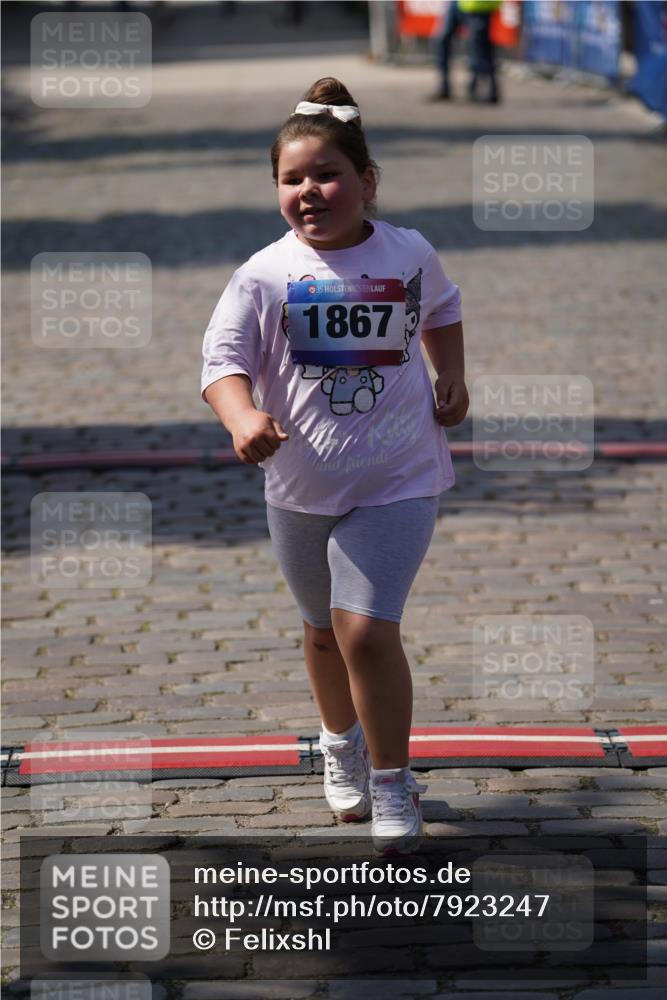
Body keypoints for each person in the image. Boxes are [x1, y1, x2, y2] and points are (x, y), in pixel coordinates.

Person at [201, 77, 468, 856]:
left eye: (325, 175)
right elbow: (222, 361)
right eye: (291, 180)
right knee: (321, 633)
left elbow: (443, 308)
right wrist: (243, 417)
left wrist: (449, 373)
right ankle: (338, 744)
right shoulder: (263, 274)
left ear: (365, 182)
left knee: (364, 631)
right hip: (302, 484)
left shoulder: (408, 251)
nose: (308, 192)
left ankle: (392, 782)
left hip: (399, 476)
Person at [458, 0, 502, 103]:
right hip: (473, 7)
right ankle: (484, 90)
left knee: (480, 51)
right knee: (480, 50)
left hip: (479, 7)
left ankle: (484, 90)